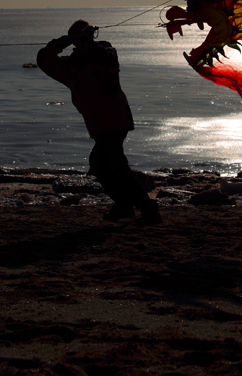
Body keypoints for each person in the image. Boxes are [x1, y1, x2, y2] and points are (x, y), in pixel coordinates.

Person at [37, 20, 161, 225]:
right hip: (100, 124)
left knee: (109, 164)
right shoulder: (71, 67)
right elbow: (44, 60)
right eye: (79, 37)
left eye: (86, 35)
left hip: (116, 120)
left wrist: (88, 45)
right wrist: (62, 42)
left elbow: (107, 59)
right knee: (106, 164)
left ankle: (144, 208)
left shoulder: (104, 52)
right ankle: (127, 205)